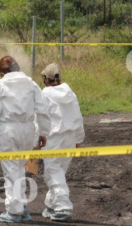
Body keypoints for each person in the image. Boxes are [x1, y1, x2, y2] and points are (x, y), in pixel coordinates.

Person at [0, 56, 51, 223]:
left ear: (2, 72)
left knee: (11, 170)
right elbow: (43, 110)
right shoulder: (31, 84)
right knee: (19, 169)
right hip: (27, 129)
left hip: (9, 129)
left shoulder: (0, 85)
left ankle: (14, 212)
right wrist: (44, 132)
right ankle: (22, 208)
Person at [40, 63, 85, 222]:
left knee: (53, 172)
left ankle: (63, 207)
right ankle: (51, 205)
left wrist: (35, 137)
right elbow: (78, 118)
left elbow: (39, 118)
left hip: (53, 138)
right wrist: (78, 139)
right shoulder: (70, 93)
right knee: (58, 172)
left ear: (46, 78)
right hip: (70, 138)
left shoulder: (44, 94)